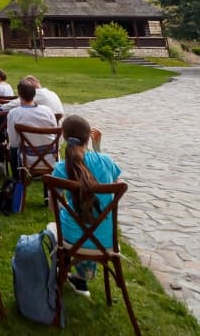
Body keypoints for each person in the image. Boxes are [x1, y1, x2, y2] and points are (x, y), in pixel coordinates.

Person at [48, 115, 122, 295]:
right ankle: (81, 278)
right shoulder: (105, 161)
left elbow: (53, 208)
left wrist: (68, 209)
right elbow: (113, 181)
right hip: (105, 238)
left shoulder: (61, 168)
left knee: (53, 229)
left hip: (73, 238)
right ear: (89, 137)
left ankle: (64, 272)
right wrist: (98, 150)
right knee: (89, 223)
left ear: (64, 137)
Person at [5, 79, 58, 168]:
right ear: (34, 94)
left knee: (13, 147)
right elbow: (55, 134)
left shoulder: (14, 113)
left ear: (19, 95)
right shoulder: (47, 111)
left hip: (27, 158)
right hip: (50, 158)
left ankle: (16, 178)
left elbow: (14, 142)